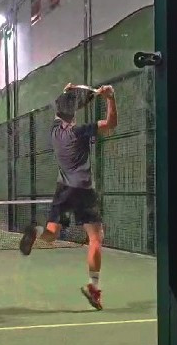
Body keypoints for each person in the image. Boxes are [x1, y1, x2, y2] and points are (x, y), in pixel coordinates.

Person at [20, 83, 118, 310]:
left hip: (63, 190)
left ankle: (36, 231)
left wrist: (68, 92)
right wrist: (110, 98)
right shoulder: (80, 132)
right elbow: (111, 124)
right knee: (95, 238)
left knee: (52, 234)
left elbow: (63, 108)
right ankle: (93, 287)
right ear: (74, 112)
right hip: (83, 191)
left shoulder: (54, 132)